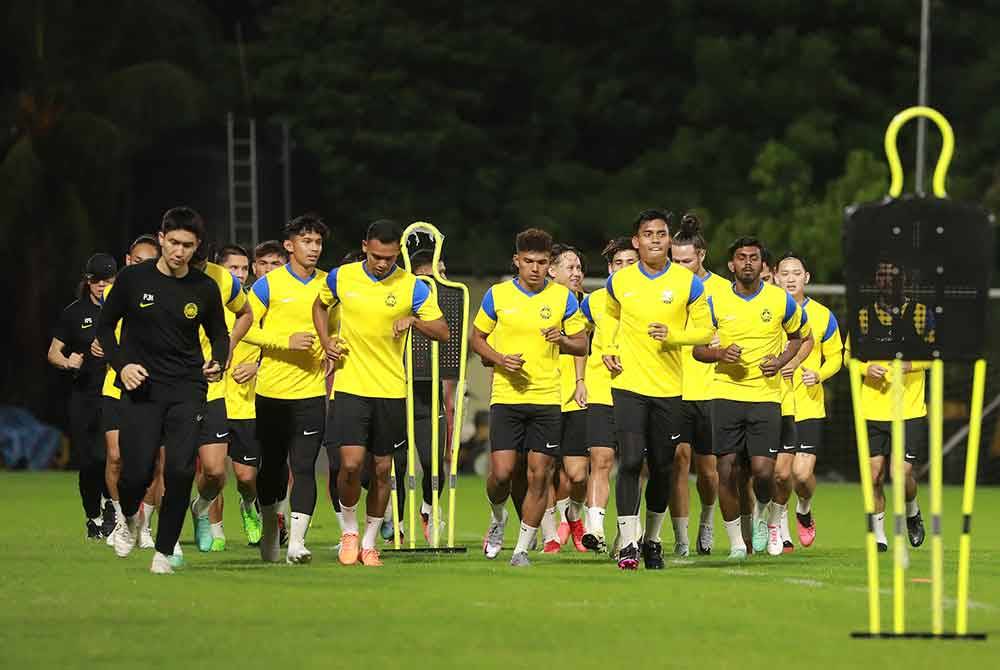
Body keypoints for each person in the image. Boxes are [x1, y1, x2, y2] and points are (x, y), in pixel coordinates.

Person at [96, 207, 230, 574]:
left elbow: (220, 333)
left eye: (187, 245)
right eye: (173, 243)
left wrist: (219, 360)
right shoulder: (133, 280)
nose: (179, 251)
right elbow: (106, 327)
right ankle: (127, 519)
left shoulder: (203, 288)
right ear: (161, 239)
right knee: (136, 472)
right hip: (142, 388)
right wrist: (122, 365)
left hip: (187, 387)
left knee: (182, 471)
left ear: (196, 246)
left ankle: (164, 552)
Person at [314, 219, 449, 567]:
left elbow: (443, 331)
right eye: (377, 256)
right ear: (364, 247)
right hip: (350, 386)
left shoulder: (413, 286)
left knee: (382, 468)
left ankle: (370, 542)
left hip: (390, 389)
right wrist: (327, 341)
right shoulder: (341, 277)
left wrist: (415, 322)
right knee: (349, 464)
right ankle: (349, 531)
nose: (382, 263)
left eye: (389, 258)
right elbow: (319, 305)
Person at [602, 210, 714, 570]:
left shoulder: (688, 283)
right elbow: (608, 319)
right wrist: (607, 348)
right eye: (647, 233)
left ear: (668, 239)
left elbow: (706, 332)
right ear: (636, 241)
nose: (654, 239)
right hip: (629, 386)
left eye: (661, 233)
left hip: (669, 388)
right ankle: (629, 543)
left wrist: (674, 337)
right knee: (631, 460)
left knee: (663, 467)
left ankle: (652, 540)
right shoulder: (619, 282)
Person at [472, 228, 587, 567]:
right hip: (506, 397)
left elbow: (581, 343)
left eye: (541, 262)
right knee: (503, 474)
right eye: (528, 262)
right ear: (517, 261)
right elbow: (476, 338)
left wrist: (563, 340)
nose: (535, 268)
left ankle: (522, 548)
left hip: (547, 399)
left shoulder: (562, 298)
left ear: (548, 264)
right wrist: (498, 358)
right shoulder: (498, 295)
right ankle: (498, 519)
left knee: (540, 474)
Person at [693, 237, 807, 560]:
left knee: (763, 472)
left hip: (765, 396)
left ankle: (763, 518)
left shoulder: (780, 300)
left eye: (753, 258)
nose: (747, 263)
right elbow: (698, 349)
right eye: (741, 258)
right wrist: (720, 353)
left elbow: (800, 337)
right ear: (731, 265)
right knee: (726, 469)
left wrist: (782, 361)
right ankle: (737, 545)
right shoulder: (714, 300)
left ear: (762, 265)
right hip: (725, 394)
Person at [244, 216, 329, 564]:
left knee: (305, 466)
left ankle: (297, 544)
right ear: (290, 245)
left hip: (311, 392)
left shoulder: (329, 284)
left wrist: (334, 345)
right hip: (272, 393)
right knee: (272, 468)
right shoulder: (268, 285)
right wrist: (285, 342)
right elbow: (244, 327)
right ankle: (269, 530)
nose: (314, 248)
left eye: (318, 242)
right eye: (306, 241)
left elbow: (337, 328)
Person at [846, 260, 930, 552]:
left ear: (904, 279)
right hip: (872, 408)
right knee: (873, 475)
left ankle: (912, 510)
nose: (886, 280)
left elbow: (936, 353)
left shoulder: (920, 313)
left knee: (901, 472)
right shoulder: (863, 315)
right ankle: (879, 534)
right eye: (881, 275)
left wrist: (912, 364)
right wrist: (865, 368)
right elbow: (849, 356)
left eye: (892, 275)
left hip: (909, 409)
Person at [92, 235, 162, 548]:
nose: (142, 267)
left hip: (152, 385)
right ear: (127, 260)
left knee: (151, 462)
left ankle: (144, 526)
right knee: (116, 456)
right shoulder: (113, 292)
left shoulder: (166, 292)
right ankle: (122, 519)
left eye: (149, 262)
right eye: (136, 261)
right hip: (116, 384)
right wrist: (101, 345)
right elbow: (104, 329)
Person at [668, 215, 730, 556]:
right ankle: (680, 538)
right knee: (678, 461)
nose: (679, 267)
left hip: (709, 391)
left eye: (686, 261)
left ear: (701, 256)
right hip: (674, 389)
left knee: (709, 472)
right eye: (674, 261)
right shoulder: (667, 288)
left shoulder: (721, 290)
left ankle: (707, 523)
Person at [773, 252, 842, 549]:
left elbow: (837, 356)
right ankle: (782, 528)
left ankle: (804, 508)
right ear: (775, 277)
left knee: (801, 475)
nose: (790, 278)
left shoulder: (823, 315)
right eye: (785, 273)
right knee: (780, 474)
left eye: (796, 273)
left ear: (806, 278)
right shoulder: (771, 311)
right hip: (776, 402)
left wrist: (820, 373)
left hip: (810, 403)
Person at [188, 246, 254, 552]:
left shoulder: (223, 282)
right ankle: (166, 542)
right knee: (173, 468)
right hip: (171, 388)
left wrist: (227, 346)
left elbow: (247, 315)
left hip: (216, 390)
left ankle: (201, 508)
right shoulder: (150, 281)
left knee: (219, 472)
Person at [48, 253, 116, 539]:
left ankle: (114, 508)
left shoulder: (125, 311)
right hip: (83, 396)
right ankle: (93, 516)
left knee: (111, 457)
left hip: (115, 394)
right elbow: (53, 352)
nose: (101, 286)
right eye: (96, 281)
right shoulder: (74, 312)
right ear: (88, 281)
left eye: (108, 281)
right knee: (88, 462)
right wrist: (67, 362)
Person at [579, 237, 638, 553]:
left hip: (639, 390)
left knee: (633, 464)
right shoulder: (594, 301)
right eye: (618, 263)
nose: (624, 269)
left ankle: (628, 531)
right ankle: (595, 526)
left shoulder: (649, 299)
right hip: (601, 388)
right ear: (609, 268)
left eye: (631, 263)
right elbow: (578, 337)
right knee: (600, 459)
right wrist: (579, 379)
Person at [215, 244, 265, 546]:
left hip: (246, 404)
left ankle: (248, 507)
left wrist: (257, 367)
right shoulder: (204, 300)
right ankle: (215, 527)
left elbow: (273, 346)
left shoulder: (254, 306)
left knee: (246, 478)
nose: (239, 274)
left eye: (244, 269)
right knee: (213, 473)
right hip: (211, 400)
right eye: (233, 268)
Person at [543, 243, 588, 553]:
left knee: (577, 473)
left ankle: (573, 516)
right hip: (543, 396)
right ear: (552, 271)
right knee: (542, 470)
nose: (577, 273)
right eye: (570, 267)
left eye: (578, 267)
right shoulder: (541, 304)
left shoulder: (588, 305)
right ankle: (550, 534)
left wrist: (582, 381)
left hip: (577, 398)